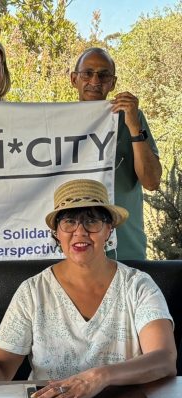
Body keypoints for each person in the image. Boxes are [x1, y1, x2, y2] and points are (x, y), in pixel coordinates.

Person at [0, 179, 176, 398]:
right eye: (69, 222)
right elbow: (0, 367)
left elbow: (164, 359)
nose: (80, 232)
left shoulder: (138, 286)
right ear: (56, 232)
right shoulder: (33, 291)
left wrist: (99, 376)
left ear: (109, 229)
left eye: (92, 221)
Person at [70, 47, 162, 260]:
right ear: (74, 79)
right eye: (87, 73)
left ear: (113, 83)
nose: (95, 80)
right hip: (74, 252)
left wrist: (133, 127)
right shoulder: (54, 121)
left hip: (125, 251)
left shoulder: (131, 118)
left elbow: (152, 182)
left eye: (103, 75)